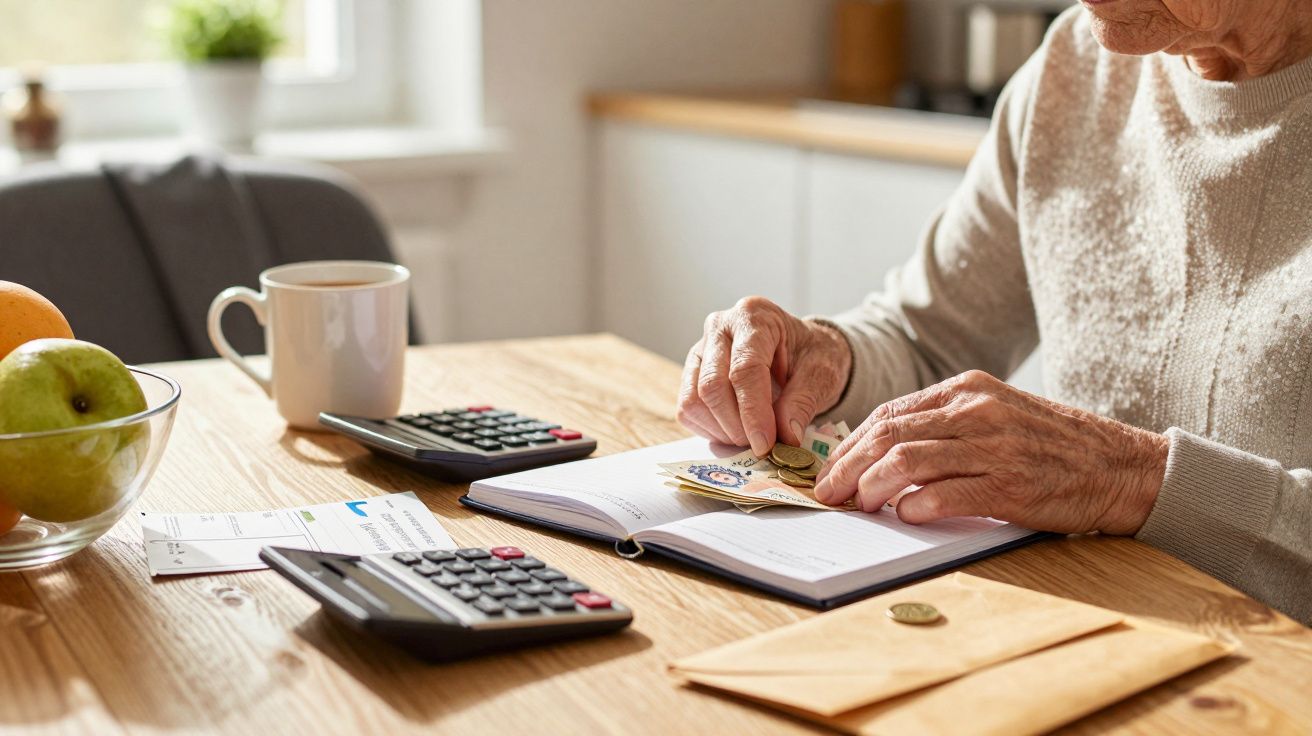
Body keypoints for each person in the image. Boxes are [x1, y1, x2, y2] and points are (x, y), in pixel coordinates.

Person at [677, 0, 1312, 623]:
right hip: (1085, 626)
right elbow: (929, 337)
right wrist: (826, 358)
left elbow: (1125, 479)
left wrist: (1132, 480)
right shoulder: (1074, 65)